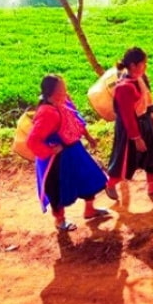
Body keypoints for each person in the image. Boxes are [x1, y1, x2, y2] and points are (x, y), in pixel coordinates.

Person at [27, 75, 110, 231]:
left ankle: (90, 210)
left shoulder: (64, 102)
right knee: (58, 188)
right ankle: (60, 220)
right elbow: (32, 141)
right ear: (53, 92)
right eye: (62, 88)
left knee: (89, 177)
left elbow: (75, 120)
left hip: (74, 149)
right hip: (57, 158)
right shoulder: (47, 113)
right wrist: (50, 150)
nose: (65, 90)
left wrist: (89, 137)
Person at [105, 47, 153, 201]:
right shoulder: (124, 88)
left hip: (144, 121)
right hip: (130, 129)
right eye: (143, 64)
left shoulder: (140, 77)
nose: (145, 67)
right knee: (126, 160)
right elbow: (127, 116)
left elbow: (148, 94)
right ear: (133, 65)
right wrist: (136, 137)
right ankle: (110, 184)